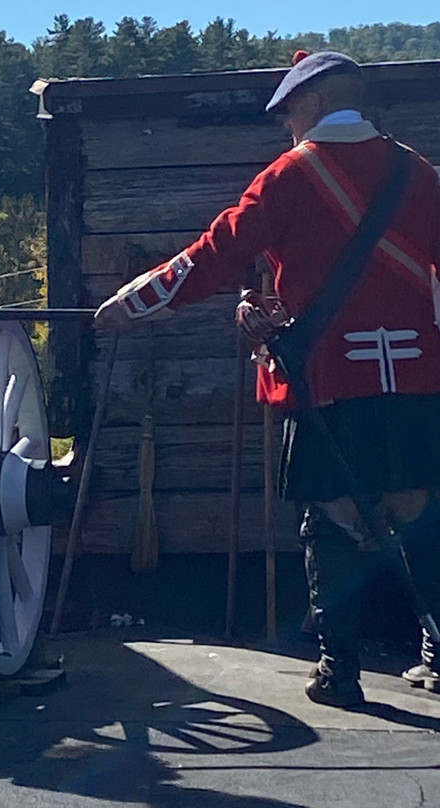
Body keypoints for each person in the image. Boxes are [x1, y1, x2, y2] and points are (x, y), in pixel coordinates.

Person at [94, 50, 440, 708]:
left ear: (310, 105)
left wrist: (134, 302)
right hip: (420, 378)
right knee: (421, 514)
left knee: (332, 521)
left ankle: (340, 671)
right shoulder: (418, 172)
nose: (285, 125)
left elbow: (213, 255)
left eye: (287, 112)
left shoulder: (288, 176)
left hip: (331, 377)